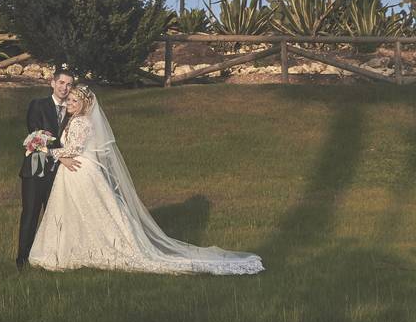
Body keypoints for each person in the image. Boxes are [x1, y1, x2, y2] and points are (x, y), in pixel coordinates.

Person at [28, 85, 264, 275]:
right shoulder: (75, 120)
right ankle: (73, 250)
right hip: (74, 171)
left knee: (84, 211)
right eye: (69, 100)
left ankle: (77, 251)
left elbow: (74, 149)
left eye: (75, 101)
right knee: (76, 212)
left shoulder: (80, 122)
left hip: (78, 170)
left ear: (85, 104)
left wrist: (44, 150)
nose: (70, 104)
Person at [16, 70, 79, 270]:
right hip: (36, 171)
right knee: (30, 214)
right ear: (52, 83)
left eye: (69, 85)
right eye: (61, 82)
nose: (64, 88)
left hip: (60, 174)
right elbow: (36, 136)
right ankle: (22, 259)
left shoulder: (73, 111)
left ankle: (51, 257)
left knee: (56, 215)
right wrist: (61, 155)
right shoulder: (38, 105)